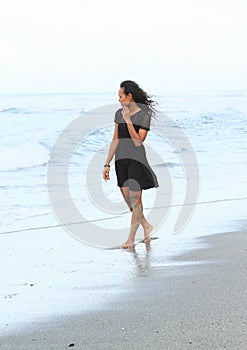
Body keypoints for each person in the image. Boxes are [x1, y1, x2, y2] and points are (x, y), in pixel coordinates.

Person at [103, 80, 159, 249]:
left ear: (129, 96)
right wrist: (107, 164)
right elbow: (115, 139)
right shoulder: (118, 113)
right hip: (121, 160)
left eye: (121, 96)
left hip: (136, 160)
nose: (119, 100)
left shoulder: (144, 115)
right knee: (128, 198)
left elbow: (138, 142)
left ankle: (130, 239)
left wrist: (128, 121)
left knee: (136, 200)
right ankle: (146, 225)